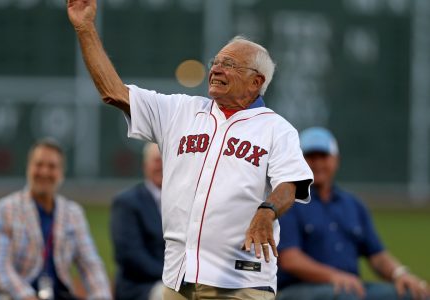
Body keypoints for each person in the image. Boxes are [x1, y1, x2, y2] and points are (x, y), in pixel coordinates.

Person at [67, 1, 314, 299]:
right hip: (178, 279)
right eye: (216, 63)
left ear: (256, 82)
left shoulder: (276, 128)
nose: (217, 70)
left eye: (230, 65)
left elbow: (290, 183)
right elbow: (113, 92)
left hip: (240, 282)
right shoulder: (181, 111)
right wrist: (85, 28)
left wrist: (268, 210)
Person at [277, 127, 430, 300]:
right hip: (300, 289)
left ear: (336, 160)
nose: (317, 163)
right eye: (311, 157)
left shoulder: (353, 205)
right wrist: (334, 276)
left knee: (416, 294)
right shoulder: (288, 202)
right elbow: (290, 260)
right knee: (346, 295)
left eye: (323, 157)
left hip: (350, 287)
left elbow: (377, 255)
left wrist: (400, 274)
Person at [0, 138, 112, 300]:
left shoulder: (73, 214)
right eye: (39, 165)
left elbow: (91, 264)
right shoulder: (5, 209)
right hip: (15, 294)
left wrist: (101, 296)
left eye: (52, 166)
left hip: (56, 294)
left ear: (61, 173)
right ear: (28, 168)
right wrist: (27, 296)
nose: (44, 172)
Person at [110, 142, 165, 300]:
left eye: (165, 159)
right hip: (140, 288)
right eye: (156, 160)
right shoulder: (126, 202)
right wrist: (173, 277)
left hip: (174, 282)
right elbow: (130, 256)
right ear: (144, 166)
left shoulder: (185, 201)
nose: (161, 165)